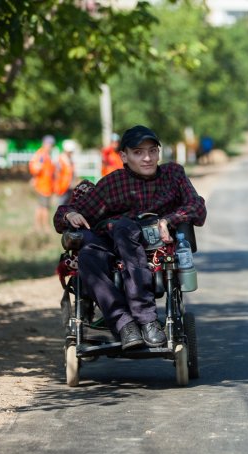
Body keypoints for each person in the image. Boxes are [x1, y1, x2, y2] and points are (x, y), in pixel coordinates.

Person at [53, 125, 207, 350]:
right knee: (89, 254)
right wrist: (70, 214)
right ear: (124, 156)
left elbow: (197, 206)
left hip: (154, 245)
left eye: (153, 151)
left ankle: (146, 320)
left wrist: (168, 220)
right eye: (138, 152)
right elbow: (63, 215)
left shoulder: (173, 174)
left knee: (126, 230)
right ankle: (125, 324)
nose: (147, 158)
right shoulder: (112, 184)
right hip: (113, 243)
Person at [29, 135, 56, 232]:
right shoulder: (41, 154)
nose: (50, 146)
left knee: (41, 207)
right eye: (49, 144)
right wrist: (35, 176)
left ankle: (38, 227)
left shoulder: (46, 154)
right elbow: (35, 168)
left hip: (47, 185)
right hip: (43, 186)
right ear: (45, 144)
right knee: (45, 208)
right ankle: (45, 227)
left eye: (52, 144)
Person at [54, 139, 77, 205]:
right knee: (61, 206)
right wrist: (57, 187)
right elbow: (57, 174)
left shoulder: (70, 160)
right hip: (62, 188)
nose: (71, 153)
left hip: (70, 187)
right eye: (70, 152)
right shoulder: (61, 160)